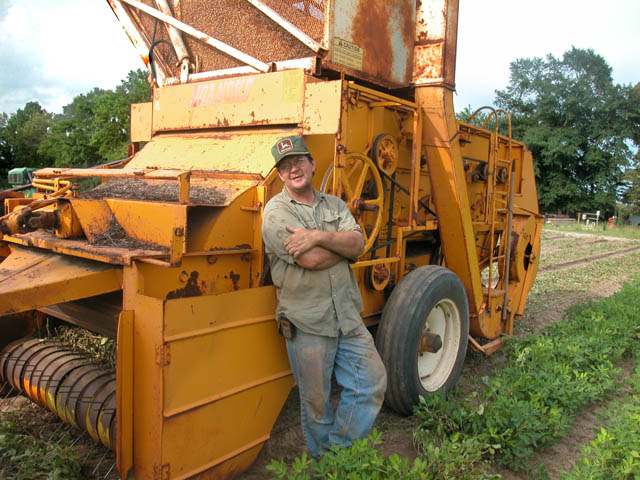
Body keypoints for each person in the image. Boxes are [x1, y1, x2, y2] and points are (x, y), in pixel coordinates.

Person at [261, 135, 387, 459]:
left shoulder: (335, 205)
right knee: (316, 405)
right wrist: (342, 246)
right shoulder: (275, 213)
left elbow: (358, 244)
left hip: (347, 315)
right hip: (308, 322)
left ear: (313, 163)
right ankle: (325, 464)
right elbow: (311, 260)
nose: (293, 169)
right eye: (285, 166)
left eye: (299, 161)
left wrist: (316, 236)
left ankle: (339, 455)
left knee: (372, 382)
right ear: (280, 174)